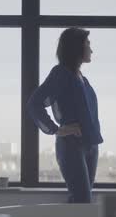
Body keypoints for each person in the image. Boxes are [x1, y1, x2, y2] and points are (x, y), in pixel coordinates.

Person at [27, 27, 103, 203]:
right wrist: (57, 129)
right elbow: (34, 104)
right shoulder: (60, 73)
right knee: (82, 199)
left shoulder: (83, 78)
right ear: (77, 47)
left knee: (83, 200)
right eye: (88, 45)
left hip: (91, 146)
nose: (91, 50)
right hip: (72, 146)